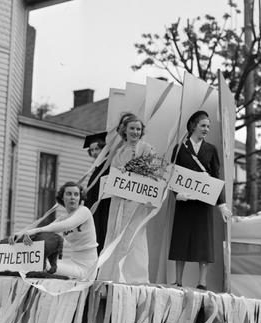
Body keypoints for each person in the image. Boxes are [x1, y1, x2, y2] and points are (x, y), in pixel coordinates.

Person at [168, 110, 232, 290]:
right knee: (181, 238)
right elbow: (172, 175)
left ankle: (202, 282)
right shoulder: (180, 148)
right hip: (184, 202)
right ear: (193, 125)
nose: (206, 129)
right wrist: (176, 195)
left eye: (208, 126)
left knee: (203, 240)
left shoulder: (211, 150)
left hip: (204, 203)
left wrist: (221, 204)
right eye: (203, 125)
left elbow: (216, 178)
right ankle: (178, 280)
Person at [97, 113, 155, 284]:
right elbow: (114, 175)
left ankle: (134, 277)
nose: (135, 132)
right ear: (125, 130)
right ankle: (113, 273)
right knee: (116, 233)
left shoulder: (147, 148)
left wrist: (130, 169)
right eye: (132, 128)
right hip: (120, 200)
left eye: (138, 129)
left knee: (134, 236)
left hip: (136, 201)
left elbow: (151, 170)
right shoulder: (119, 152)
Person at [9, 181, 98, 281]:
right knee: (35, 262)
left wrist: (34, 231)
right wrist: (22, 234)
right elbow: (49, 229)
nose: (73, 197)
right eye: (69, 194)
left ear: (80, 198)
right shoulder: (62, 218)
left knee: (43, 265)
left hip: (87, 269)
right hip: (73, 262)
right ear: (62, 197)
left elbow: (67, 225)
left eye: (76, 194)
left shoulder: (84, 211)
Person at [83, 132, 111, 254]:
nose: (94, 152)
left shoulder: (107, 166)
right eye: (92, 150)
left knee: (101, 234)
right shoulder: (96, 168)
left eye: (97, 149)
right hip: (94, 207)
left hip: (103, 207)